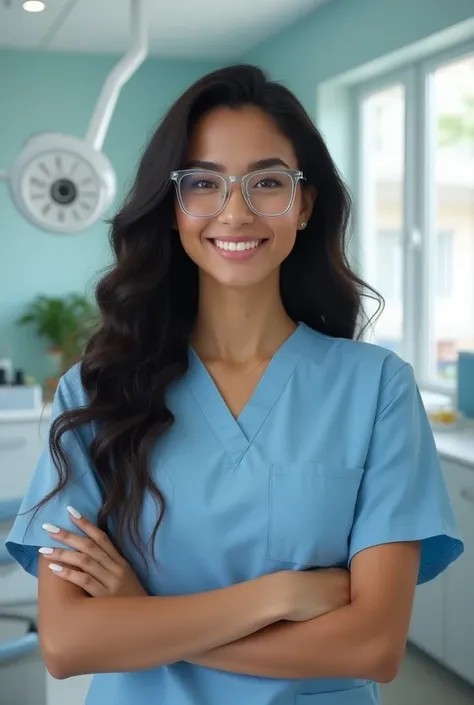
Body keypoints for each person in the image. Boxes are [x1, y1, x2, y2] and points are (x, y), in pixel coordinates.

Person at [6, 64, 463, 705]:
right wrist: (276, 596)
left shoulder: (377, 389)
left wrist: (142, 619)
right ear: (172, 207)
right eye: (203, 183)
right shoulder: (97, 392)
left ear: (303, 205)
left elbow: (371, 648)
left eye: (268, 182)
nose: (236, 211)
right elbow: (68, 642)